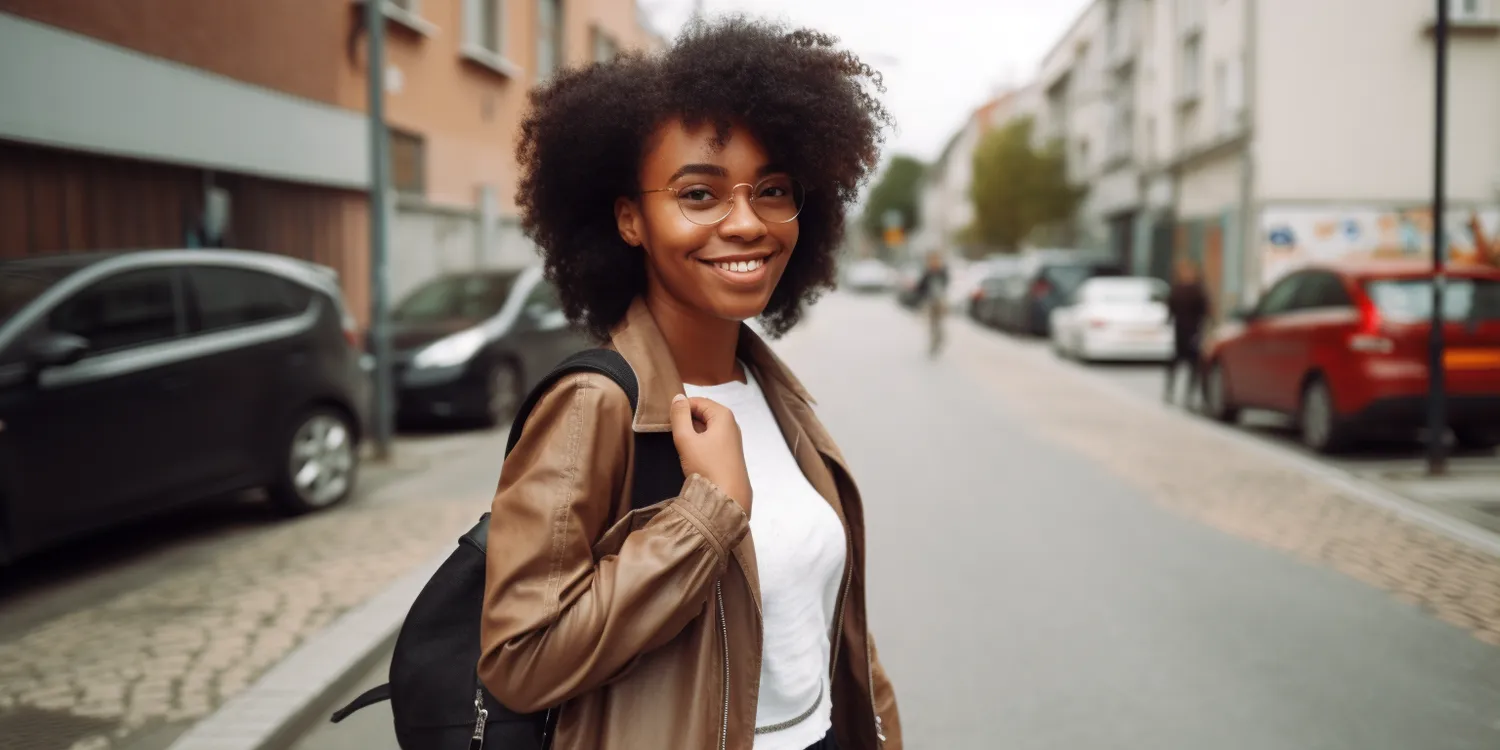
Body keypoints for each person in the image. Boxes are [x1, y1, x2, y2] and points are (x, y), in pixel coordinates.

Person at [476, 18, 901, 750]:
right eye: (699, 194)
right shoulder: (595, 405)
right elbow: (521, 656)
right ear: (631, 220)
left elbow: (827, 630)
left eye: (772, 190)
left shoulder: (773, 392)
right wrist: (708, 514)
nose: (747, 223)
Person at [1164, 258, 1211, 407]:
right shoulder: (1177, 290)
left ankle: (1190, 395)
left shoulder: (1198, 291)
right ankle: (1169, 391)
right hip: (1179, 332)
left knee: (1194, 365)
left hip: (1194, 331)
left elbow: (1205, 311)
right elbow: (1170, 309)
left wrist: (1204, 329)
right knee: (1175, 362)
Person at [914, 251, 949, 357]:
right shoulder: (927, 272)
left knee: (939, 323)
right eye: (931, 260)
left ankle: (940, 338)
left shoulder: (942, 272)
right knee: (932, 324)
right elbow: (921, 287)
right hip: (930, 301)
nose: (933, 262)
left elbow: (946, 284)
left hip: (940, 301)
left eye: (935, 260)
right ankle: (934, 343)